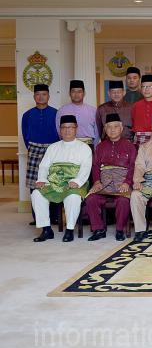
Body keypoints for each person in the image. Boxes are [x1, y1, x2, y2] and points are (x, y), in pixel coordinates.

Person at [31, 115, 92, 243]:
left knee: (73, 197)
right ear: (60, 129)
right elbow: (44, 166)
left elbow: (86, 168)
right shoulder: (53, 147)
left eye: (70, 127)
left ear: (76, 128)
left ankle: (69, 230)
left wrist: (77, 181)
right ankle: (46, 229)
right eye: (64, 127)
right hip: (54, 181)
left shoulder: (84, 148)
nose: (67, 130)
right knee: (37, 194)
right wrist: (42, 179)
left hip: (74, 182)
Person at [84, 113, 137, 242]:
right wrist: (97, 182)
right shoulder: (100, 147)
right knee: (91, 199)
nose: (112, 130)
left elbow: (133, 166)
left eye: (115, 126)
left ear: (121, 128)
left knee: (123, 201)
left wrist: (127, 182)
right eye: (109, 127)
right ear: (105, 129)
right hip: (104, 183)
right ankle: (99, 229)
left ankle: (120, 230)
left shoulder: (130, 146)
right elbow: (95, 166)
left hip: (122, 183)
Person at [22, 84, 60, 225]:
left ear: (48, 96)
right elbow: (25, 135)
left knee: (54, 182)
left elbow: (60, 132)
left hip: (53, 150)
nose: (41, 97)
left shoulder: (56, 113)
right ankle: (37, 217)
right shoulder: (27, 115)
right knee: (35, 184)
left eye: (44, 94)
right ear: (34, 97)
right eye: (38, 94)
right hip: (34, 150)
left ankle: (54, 216)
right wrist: (33, 148)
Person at [55, 80, 100, 146]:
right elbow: (59, 130)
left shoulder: (93, 110)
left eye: (79, 92)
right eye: (73, 91)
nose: (76, 94)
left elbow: (97, 132)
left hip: (88, 144)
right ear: (69, 93)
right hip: (68, 144)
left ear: (84, 93)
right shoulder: (62, 110)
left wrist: (94, 147)